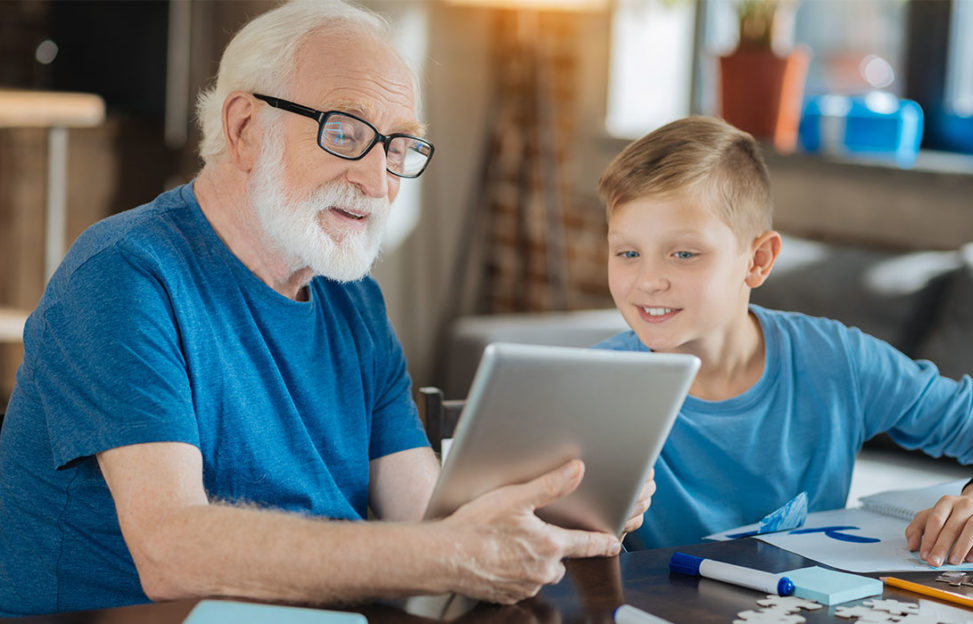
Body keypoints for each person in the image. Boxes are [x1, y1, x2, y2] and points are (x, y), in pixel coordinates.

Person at [0, 1, 652, 616]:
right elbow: (171, 550)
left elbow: (423, 517)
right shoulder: (125, 274)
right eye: (346, 133)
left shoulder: (355, 300)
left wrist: (561, 508)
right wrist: (451, 553)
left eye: (399, 146)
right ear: (245, 127)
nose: (379, 181)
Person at [593, 115, 973, 567]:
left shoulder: (837, 360)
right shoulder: (595, 388)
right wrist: (591, 530)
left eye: (683, 253)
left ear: (757, 260)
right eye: (628, 253)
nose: (649, 281)